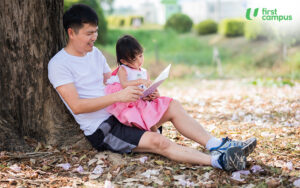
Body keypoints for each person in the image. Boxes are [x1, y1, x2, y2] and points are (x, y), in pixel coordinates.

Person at [48, 4, 257, 172]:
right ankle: (221, 161)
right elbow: (76, 106)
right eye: (89, 33)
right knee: (160, 142)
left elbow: (110, 82)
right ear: (71, 33)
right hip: (104, 128)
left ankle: (216, 144)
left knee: (172, 105)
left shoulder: (94, 54)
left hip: (124, 111)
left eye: (96, 31)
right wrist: (118, 97)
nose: (95, 37)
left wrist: (142, 93)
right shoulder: (59, 64)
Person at [105, 35, 172, 132]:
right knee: (141, 114)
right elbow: (124, 84)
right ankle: (153, 133)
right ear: (124, 61)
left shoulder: (144, 72)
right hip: (128, 102)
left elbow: (148, 87)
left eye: (140, 56)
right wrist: (140, 81)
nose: (139, 61)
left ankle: (155, 132)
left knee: (152, 111)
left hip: (141, 100)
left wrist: (152, 94)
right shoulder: (123, 69)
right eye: (133, 59)